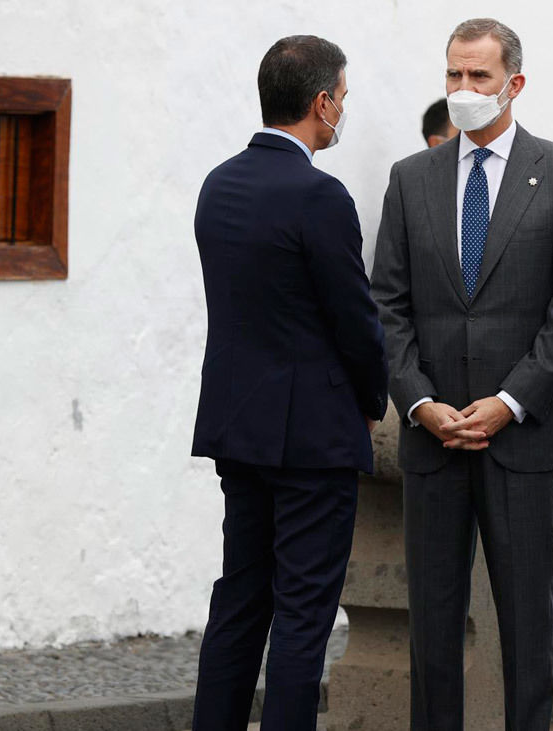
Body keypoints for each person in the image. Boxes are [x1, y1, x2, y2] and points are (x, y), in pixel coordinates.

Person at [371, 18, 553, 730]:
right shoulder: (411, 178)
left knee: (528, 621)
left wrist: (508, 401)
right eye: (454, 74)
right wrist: (418, 402)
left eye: (479, 75)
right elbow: (386, 304)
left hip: (520, 439)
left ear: (514, 83)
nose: (463, 88)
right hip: (433, 438)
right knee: (432, 624)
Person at [189, 35, 387, 730]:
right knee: (303, 615)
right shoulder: (319, 195)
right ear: (321, 102)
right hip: (312, 437)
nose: (344, 111)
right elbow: (355, 318)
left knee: (240, 602)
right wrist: (372, 401)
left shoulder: (219, 183)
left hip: (237, 425)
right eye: (343, 97)